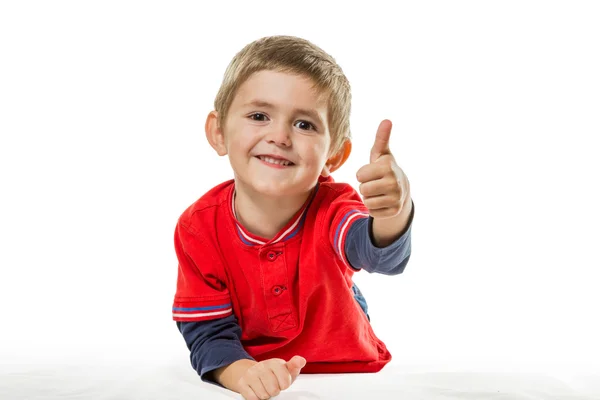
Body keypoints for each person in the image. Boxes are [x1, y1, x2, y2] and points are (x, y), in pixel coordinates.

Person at [172, 35, 414, 400]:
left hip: (347, 373)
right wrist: (241, 374)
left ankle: (343, 290)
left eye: (304, 125)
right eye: (259, 116)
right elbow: (207, 332)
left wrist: (394, 210)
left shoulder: (335, 207)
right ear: (219, 133)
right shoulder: (198, 228)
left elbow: (378, 254)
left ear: (333, 156)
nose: (280, 136)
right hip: (252, 363)